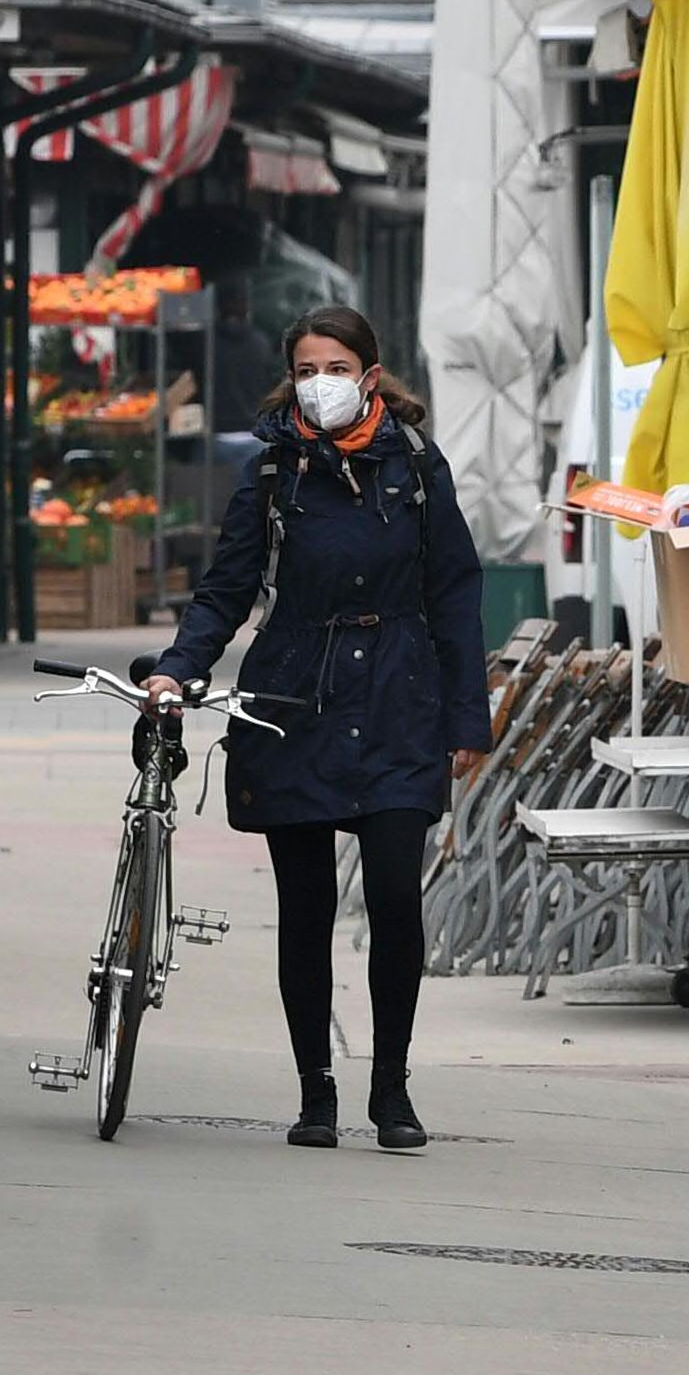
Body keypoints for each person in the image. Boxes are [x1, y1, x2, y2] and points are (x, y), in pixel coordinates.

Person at [145, 305, 489, 1151]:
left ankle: (392, 1087)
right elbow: (225, 589)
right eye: (306, 368)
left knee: (394, 899)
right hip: (292, 694)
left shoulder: (414, 463)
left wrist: (465, 714)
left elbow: (454, 590)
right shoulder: (270, 470)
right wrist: (179, 667)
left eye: (336, 366)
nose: (320, 383)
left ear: (370, 375)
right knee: (302, 908)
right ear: (290, 376)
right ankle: (315, 1088)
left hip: (397, 692)